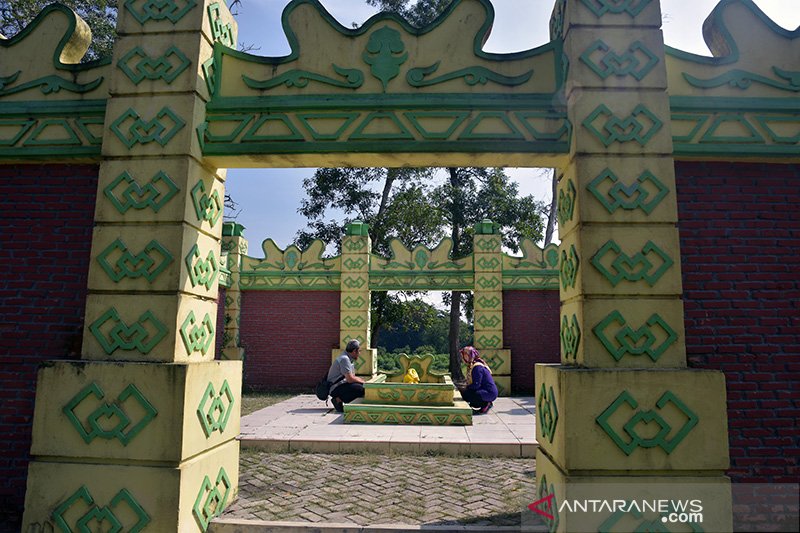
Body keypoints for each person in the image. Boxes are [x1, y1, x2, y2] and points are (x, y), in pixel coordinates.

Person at [327, 339, 365, 412]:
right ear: (354, 351)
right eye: (359, 351)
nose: (359, 353)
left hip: (341, 385)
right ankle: (338, 399)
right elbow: (350, 379)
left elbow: (352, 377)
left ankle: (342, 400)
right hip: (335, 388)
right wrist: (364, 382)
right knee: (361, 389)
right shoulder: (344, 359)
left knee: (360, 386)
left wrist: (362, 381)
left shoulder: (348, 358)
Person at [457, 345, 498, 414]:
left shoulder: (477, 367)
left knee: (466, 394)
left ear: (468, 355)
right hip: (486, 391)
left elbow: (476, 385)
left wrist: (464, 388)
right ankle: (485, 402)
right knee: (466, 392)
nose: (462, 357)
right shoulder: (473, 365)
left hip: (488, 393)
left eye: (464, 355)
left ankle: (485, 404)